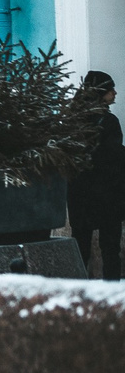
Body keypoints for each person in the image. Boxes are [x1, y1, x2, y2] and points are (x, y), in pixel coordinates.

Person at [69, 71, 125, 279]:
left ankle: (79, 293)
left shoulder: (72, 119)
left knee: (80, 249)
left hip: (79, 193)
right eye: (111, 89)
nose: (115, 93)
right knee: (110, 248)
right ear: (101, 92)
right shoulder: (109, 121)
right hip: (107, 194)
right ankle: (111, 294)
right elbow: (114, 156)